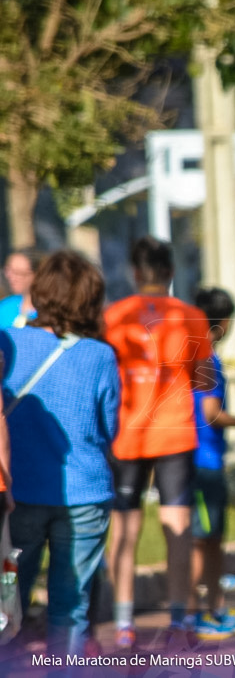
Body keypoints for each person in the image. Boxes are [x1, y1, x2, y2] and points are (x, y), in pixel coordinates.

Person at [2, 250, 120, 655]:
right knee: (71, 608)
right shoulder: (101, 355)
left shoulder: (8, 342)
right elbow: (109, 428)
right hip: (84, 494)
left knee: (6, 603)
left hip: (19, 494)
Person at [105, 236, 214, 648]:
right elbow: (204, 380)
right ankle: (180, 620)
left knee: (126, 530)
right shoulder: (190, 316)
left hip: (127, 434)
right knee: (177, 527)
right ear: (170, 272)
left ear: (135, 273)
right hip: (175, 432)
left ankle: (123, 624)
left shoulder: (114, 317)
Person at [185, 288, 235, 640]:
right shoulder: (205, 358)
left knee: (212, 538)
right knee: (201, 539)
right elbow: (212, 413)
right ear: (224, 323)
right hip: (203, 459)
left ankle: (216, 606)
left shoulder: (187, 353)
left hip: (197, 458)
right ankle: (194, 612)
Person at [0, 248, 42, 328]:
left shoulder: (49, 312)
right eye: (9, 271)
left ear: (37, 274)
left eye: (18, 273)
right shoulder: (5, 306)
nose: (11, 277)